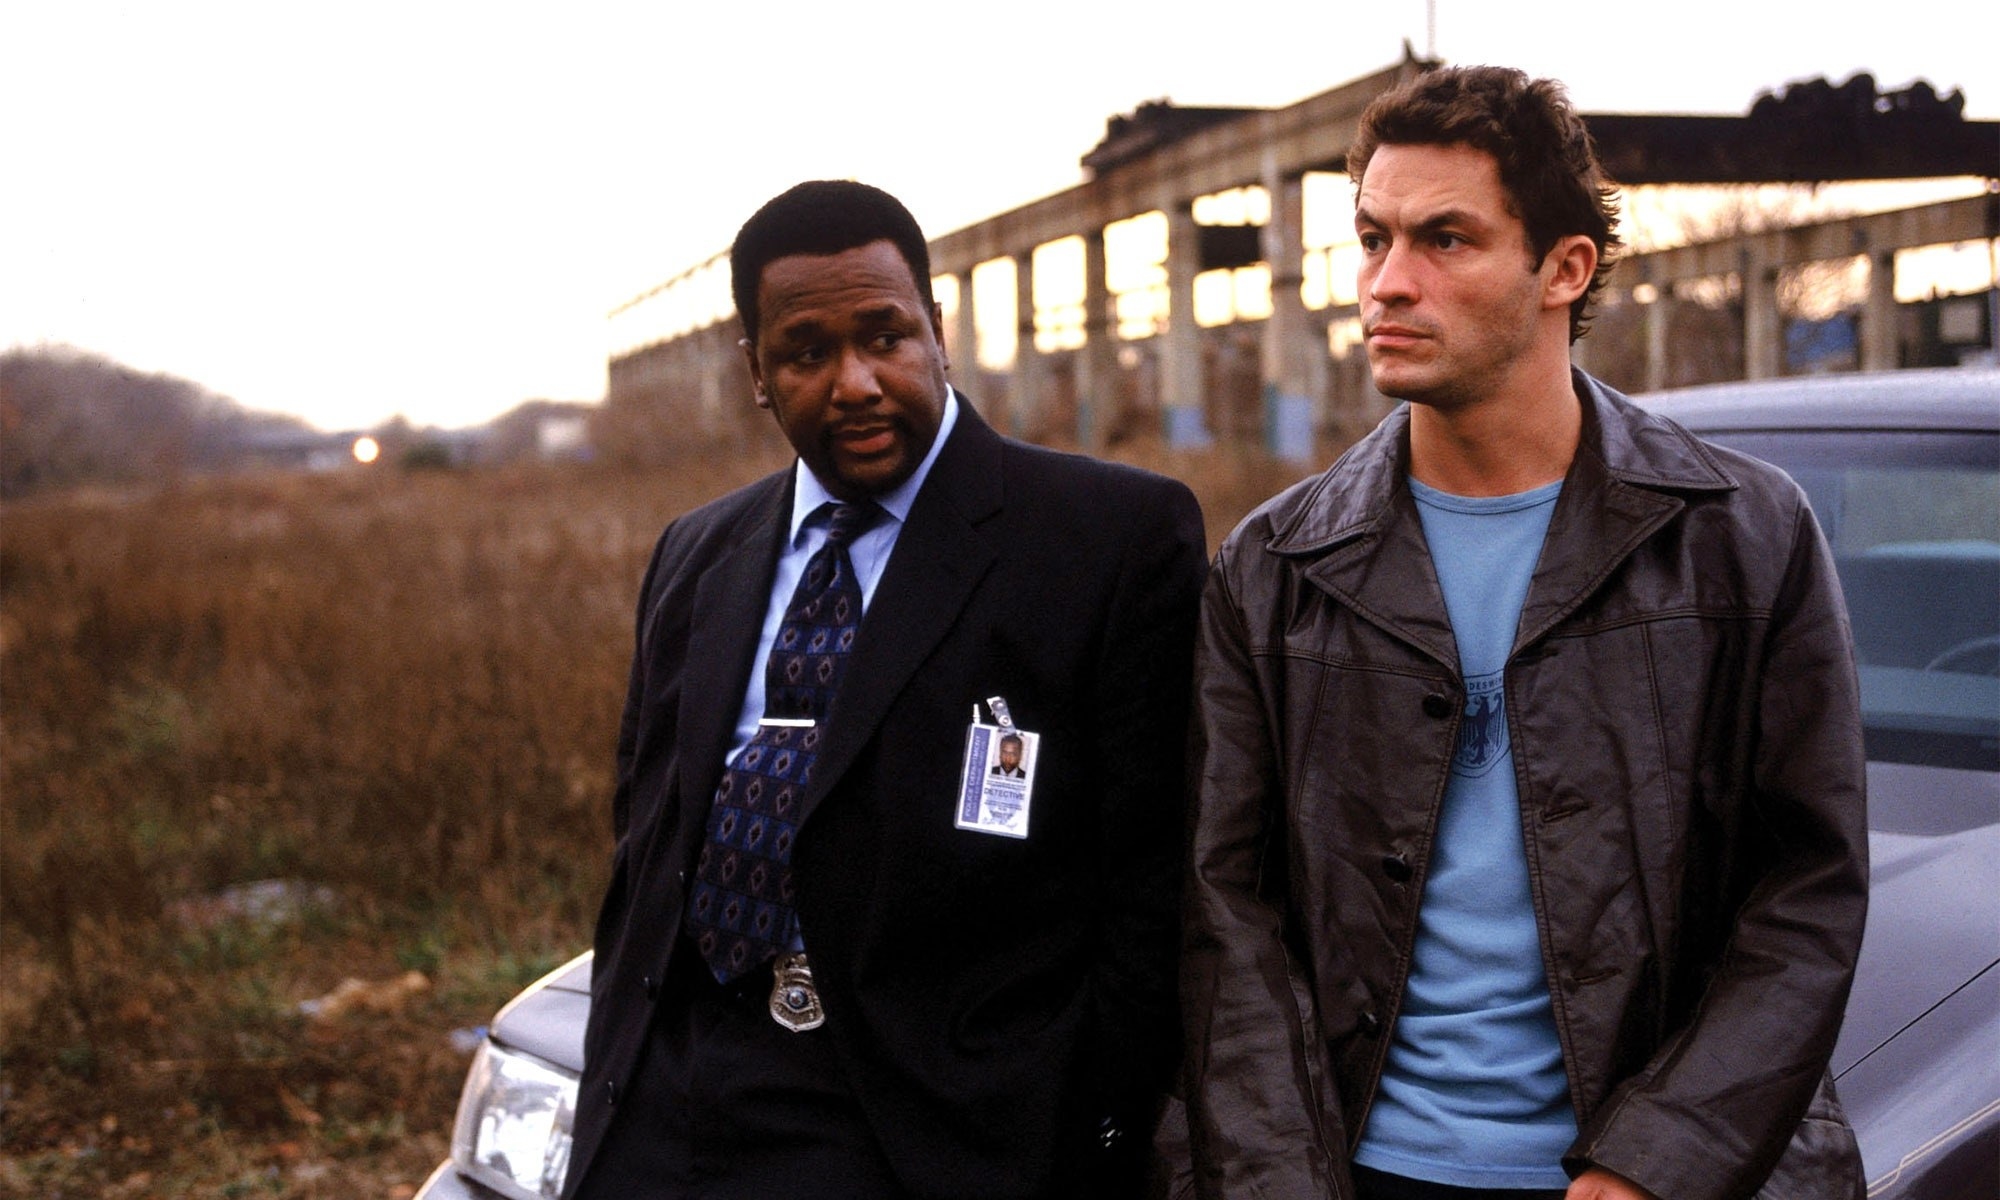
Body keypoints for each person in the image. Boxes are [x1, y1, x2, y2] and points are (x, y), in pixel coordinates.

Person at [1181, 66, 1868, 1200]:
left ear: (1563, 268)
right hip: (1364, 1169)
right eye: (1370, 240)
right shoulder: (1270, 568)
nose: (1386, 284)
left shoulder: (1741, 536)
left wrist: (1653, 1164)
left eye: (1443, 240)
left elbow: (1806, 891)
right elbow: (1224, 921)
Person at [564, 180, 1207, 1200]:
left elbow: (1150, 895)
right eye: (807, 353)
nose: (854, 382)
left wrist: (1083, 1142)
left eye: (884, 337)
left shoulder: (1106, 540)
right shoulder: (695, 554)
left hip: (923, 1134)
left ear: (937, 331)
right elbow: (643, 849)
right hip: (666, 1112)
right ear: (758, 372)